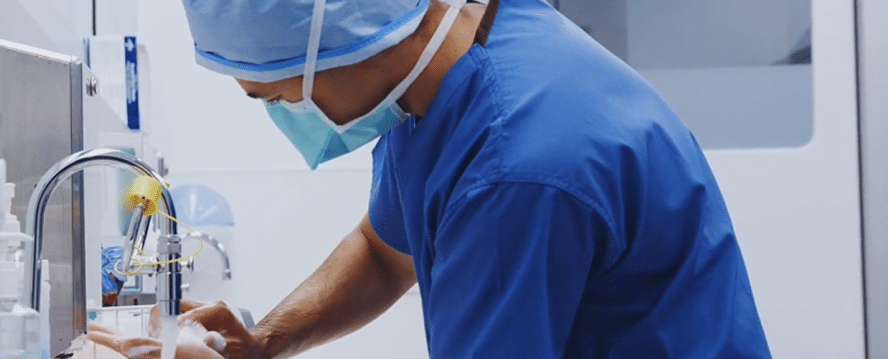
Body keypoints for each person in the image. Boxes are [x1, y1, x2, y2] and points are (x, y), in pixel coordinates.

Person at [89, 0, 773, 357]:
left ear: (336, 46)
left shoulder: (511, 172)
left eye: (276, 95)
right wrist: (264, 340)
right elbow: (387, 252)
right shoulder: (451, 65)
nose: (284, 115)